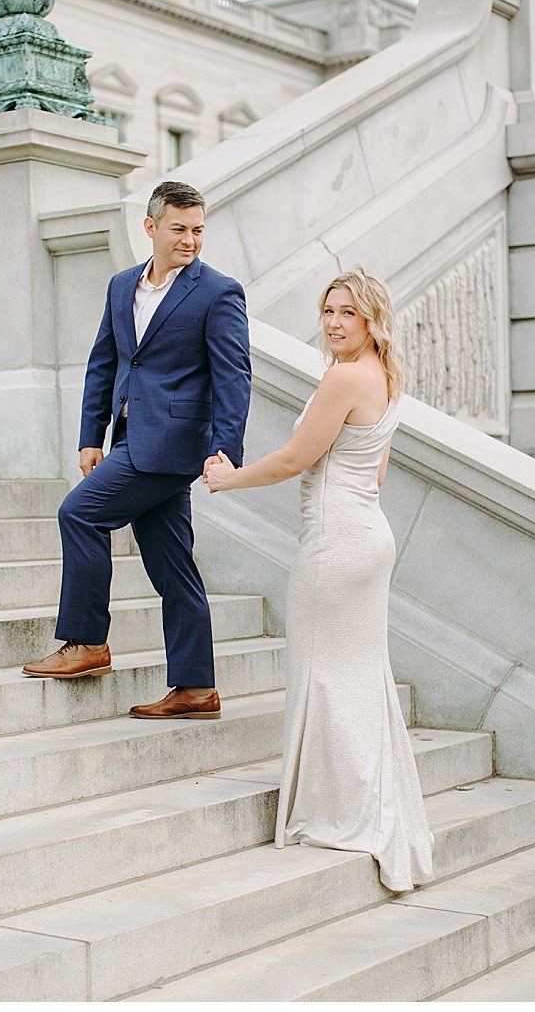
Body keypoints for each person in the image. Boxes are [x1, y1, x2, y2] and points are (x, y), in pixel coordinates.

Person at [204, 267, 433, 891]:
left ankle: (343, 810)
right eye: (328, 310)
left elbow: (294, 460)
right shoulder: (385, 377)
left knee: (325, 674)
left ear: (370, 320)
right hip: (368, 538)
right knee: (358, 675)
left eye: (347, 314)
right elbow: (377, 472)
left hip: (336, 546)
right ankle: (361, 797)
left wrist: (228, 478)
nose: (333, 322)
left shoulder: (345, 378)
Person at [23, 180, 252, 725]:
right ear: (150, 227)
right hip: (129, 440)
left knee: (78, 512)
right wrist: (89, 436)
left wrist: (226, 452)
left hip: (172, 447)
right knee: (173, 566)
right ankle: (196, 688)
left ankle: (86, 642)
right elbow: (103, 362)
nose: (190, 240)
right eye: (179, 229)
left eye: (198, 229)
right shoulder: (122, 285)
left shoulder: (218, 292)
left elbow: (234, 377)